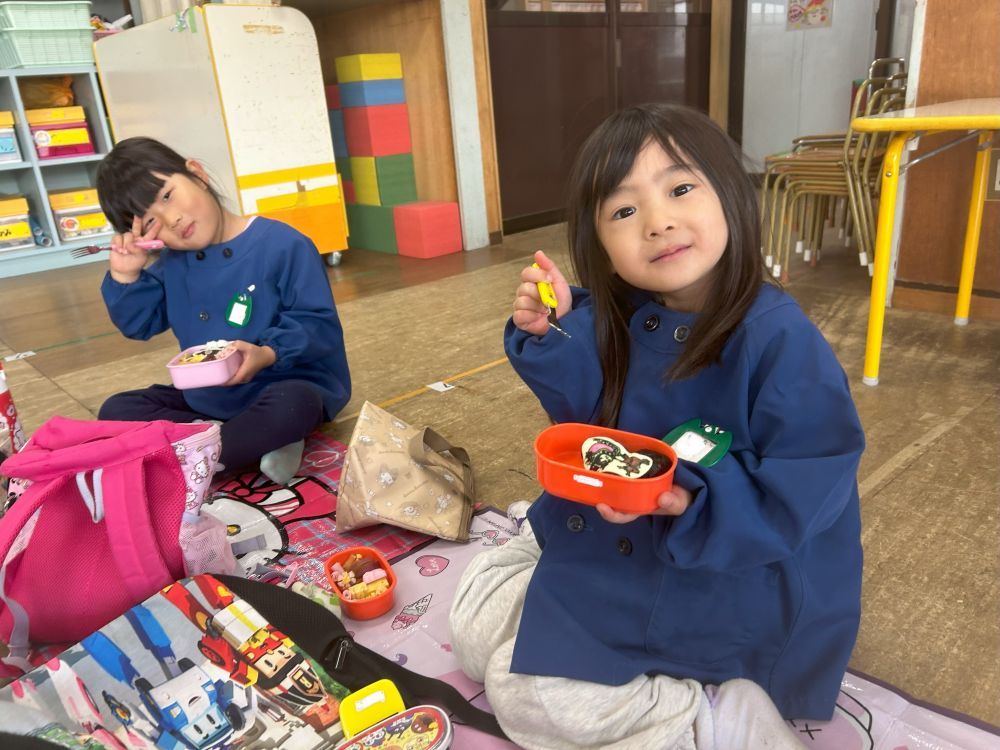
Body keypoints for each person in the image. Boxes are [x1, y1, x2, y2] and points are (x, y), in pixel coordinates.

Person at [450, 103, 864, 749]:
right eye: (623, 210)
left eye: (679, 188)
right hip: (620, 535)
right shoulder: (626, 315)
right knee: (472, 629)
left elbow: (809, 486)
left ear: (730, 193)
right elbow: (586, 426)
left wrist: (687, 499)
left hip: (732, 565)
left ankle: (713, 715)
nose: (658, 221)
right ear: (598, 244)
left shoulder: (780, 340)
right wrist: (553, 332)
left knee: (532, 697)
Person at [94, 137, 351, 485]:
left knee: (295, 404)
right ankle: (236, 443)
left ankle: (204, 449)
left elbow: (315, 323)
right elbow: (139, 324)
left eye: (168, 195)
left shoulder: (283, 244)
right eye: (151, 221)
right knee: (116, 410)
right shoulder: (171, 265)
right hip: (205, 398)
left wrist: (266, 353)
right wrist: (126, 275)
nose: (171, 219)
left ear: (197, 174)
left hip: (282, 382)